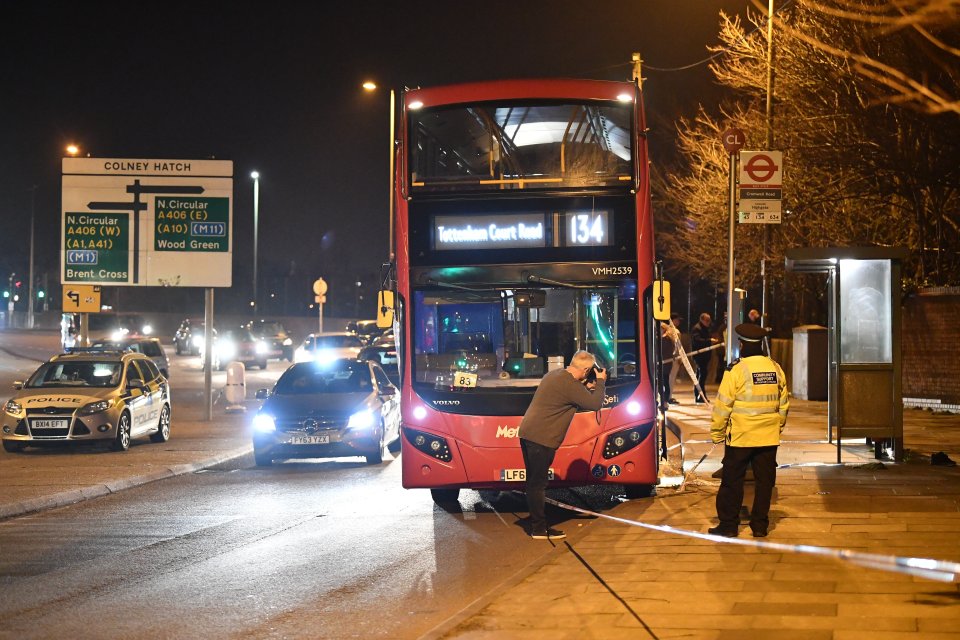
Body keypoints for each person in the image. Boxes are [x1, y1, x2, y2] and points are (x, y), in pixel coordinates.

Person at [708, 323, 790, 538]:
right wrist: (777, 426)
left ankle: (728, 525)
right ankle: (760, 526)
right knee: (765, 483)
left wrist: (717, 432)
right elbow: (783, 403)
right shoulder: (775, 367)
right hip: (768, 437)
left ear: (741, 344)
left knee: (732, 481)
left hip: (741, 438)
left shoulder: (736, 369)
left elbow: (723, 404)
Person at [518, 350, 606, 540]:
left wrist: (585, 385)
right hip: (541, 438)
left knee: (533, 483)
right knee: (537, 485)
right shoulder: (569, 385)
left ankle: (537, 524)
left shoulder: (554, 375)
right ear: (586, 369)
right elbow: (595, 403)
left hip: (528, 433)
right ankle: (539, 529)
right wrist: (600, 381)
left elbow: (568, 396)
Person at [690, 313, 716, 403]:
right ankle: (700, 396)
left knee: (700, 375)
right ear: (702, 320)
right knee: (701, 375)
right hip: (699, 356)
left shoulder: (705, 328)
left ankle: (700, 395)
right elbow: (697, 341)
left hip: (704, 356)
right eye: (707, 321)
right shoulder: (697, 329)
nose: (709, 323)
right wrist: (709, 340)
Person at [659, 320, 678, 411]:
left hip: (663, 364)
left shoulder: (665, 339)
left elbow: (661, 352)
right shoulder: (669, 338)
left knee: (661, 384)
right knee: (665, 383)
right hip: (667, 364)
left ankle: (664, 401)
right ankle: (664, 401)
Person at [667, 313, 682, 404]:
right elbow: (678, 346)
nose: (679, 321)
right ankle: (669, 396)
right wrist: (679, 357)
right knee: (671, 378)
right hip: (674, 358)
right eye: (677, 319)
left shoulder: (665, 330)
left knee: (666, 378)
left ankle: (666, 396)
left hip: (667, 357)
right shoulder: (675, 331)